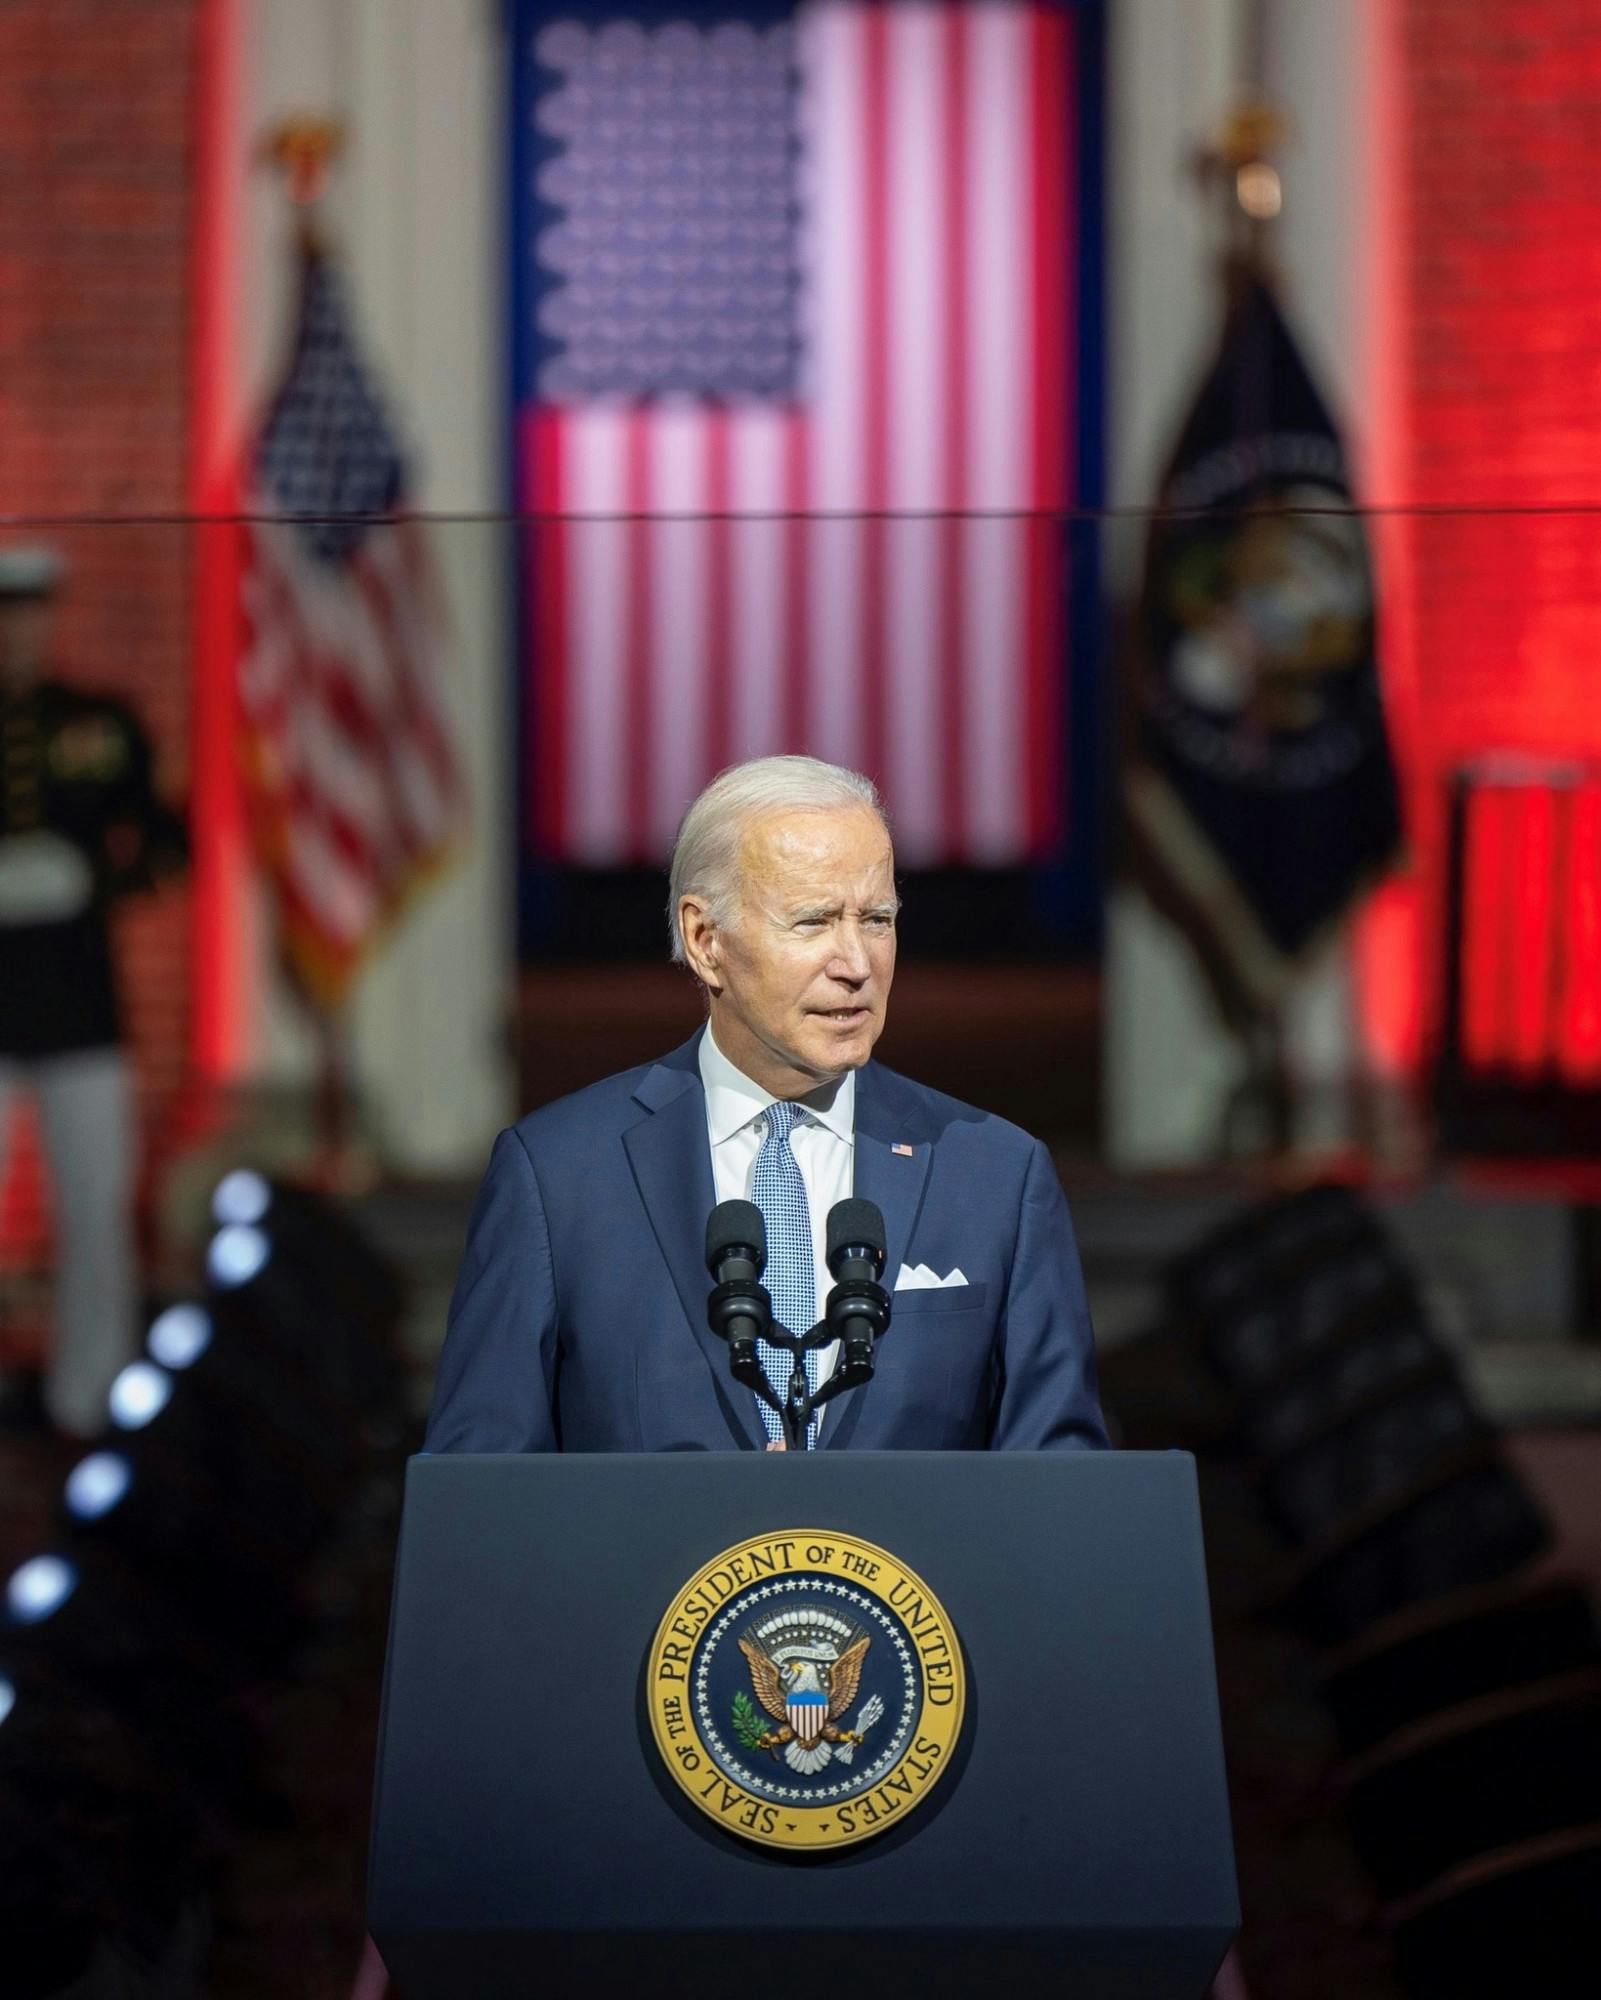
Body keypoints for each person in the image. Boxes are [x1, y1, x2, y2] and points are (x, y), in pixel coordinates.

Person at [426, 755, 1106, 1454]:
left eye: (876, 919)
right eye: (812, 922)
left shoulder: (995, 1175)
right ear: (705, 941)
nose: (856, 964)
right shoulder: (557, 1175)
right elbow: (479, 1487)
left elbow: (1061, 1484)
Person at [0, 546, 188, 1439]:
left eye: (30, 612)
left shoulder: (99, 724)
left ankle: (94, 1394)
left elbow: (163, 838)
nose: (18, 631)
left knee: (95, 1208)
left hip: (79, 1004)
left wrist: (93, 882)